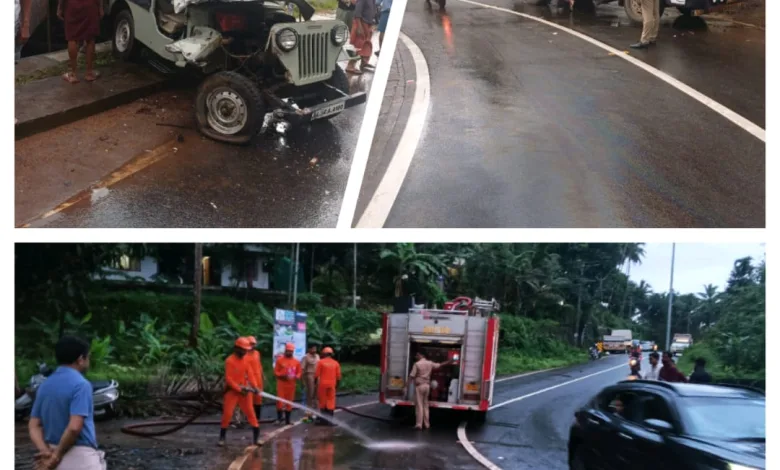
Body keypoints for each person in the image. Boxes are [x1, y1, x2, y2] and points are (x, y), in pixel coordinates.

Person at [28, 335, 105, 470]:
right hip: (79, 457)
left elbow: (34, 425)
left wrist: (45, 452)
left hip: (50, 452)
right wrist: (57, 455)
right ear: (81, 359)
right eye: (88, 357)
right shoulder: (81, 385)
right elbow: (75, 427)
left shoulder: (45, 386)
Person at [220, 337, 261, 447]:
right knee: (227, 414)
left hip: (245, 391)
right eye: (243, 349)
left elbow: (251, 374)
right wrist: (239, 389)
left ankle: (256, 439)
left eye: (246, 350)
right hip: (232, 391)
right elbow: (229, 379)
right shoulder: (229, 360)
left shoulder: (246, 359)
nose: (244, 352)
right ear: (236, 348)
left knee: (251, 413)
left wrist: (255, 387)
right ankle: (222, 438)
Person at [57, 0, 103, 83]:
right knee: (90, 38)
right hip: (91, 4)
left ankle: (73, 74)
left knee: (72, 37)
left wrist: (60, 7)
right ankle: (89, 73)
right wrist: (100, 7)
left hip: (72, 4)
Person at [407, 352, 453, 430]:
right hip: (427, 386)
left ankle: (419, 424)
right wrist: (449, 361)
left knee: (419, 405)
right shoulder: (430, 363)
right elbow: (440, 365)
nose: (416, 356)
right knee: (425, 405)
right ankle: (427, 424)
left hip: (419, 386)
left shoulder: (417, 364)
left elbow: (411, 376)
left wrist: (406, 386)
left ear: (422, 355)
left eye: (417, 355)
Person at [274, 343, 301, 425]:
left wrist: (297, 376)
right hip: (281, 384)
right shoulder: (279, 360)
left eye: (291, 351)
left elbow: (299, 372)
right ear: (285, 350)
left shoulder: (296, 362)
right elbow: (276, 372)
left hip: (291, 385)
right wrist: (282, 375)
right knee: (280, 401)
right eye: (288, 351)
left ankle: (287, 420)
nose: (289, 353)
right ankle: (279, 419)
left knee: (290, 402)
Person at [346, 0, 376, 74]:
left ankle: (364, 63)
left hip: (367, 23)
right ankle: (350, 66)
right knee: (357, 45)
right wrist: (359, 27)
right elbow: (357, 13)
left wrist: (372, 24)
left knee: (366, 45)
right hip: (361, 23)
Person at [315, 347, 342, 425]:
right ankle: (330, 422)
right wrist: (337, 386)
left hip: (322, 385)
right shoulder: (336, 363)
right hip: (332, 385)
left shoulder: (320, 362)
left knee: (322, 402)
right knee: (331, 402)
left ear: (324, 354)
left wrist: (315, 384)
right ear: (331, 354)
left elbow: (316, 375)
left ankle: (323, 421)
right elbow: (339, 377)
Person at [246, 336, 265, 420]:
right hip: (248, 379)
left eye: (253, 344)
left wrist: (263, 375)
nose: (252, 346)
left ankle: (257, 418)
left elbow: (259, 365)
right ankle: (250, 417)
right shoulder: (244, 354)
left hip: (258, 378)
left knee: (258, 398)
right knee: (249, 398)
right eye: (251, 344)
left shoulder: (257, 353)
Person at [301, 345, 320, 421]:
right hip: (309, 375)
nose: (314, 350)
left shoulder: (317, 356)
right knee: (310, 394)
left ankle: (317, 412)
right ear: (309, 349)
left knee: (317, 395)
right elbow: (302, 369)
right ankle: (309, 412)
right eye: (313, 348)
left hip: (317, 376)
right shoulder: (306, 357)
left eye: (315, 348)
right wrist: (302, 380)